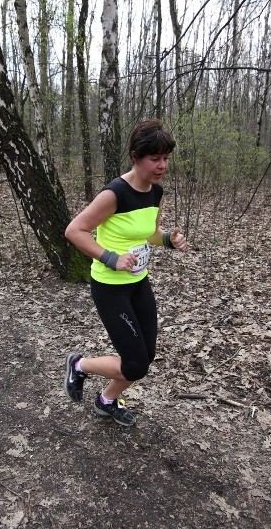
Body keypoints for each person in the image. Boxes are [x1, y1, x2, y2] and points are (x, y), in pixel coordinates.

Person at [63, 118, 188, 426]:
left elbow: (149, 234)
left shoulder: (155, 193)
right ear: (136, 156)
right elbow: (74, 230)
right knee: (134, 365)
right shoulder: (114, 194)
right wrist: (110, 257)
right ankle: (79, 365)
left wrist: (169, 239)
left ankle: (106, 401)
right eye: (154, 158)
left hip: (138, 283)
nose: (162, 166)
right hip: (110, 287)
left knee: (145, 356)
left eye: (165, 159)